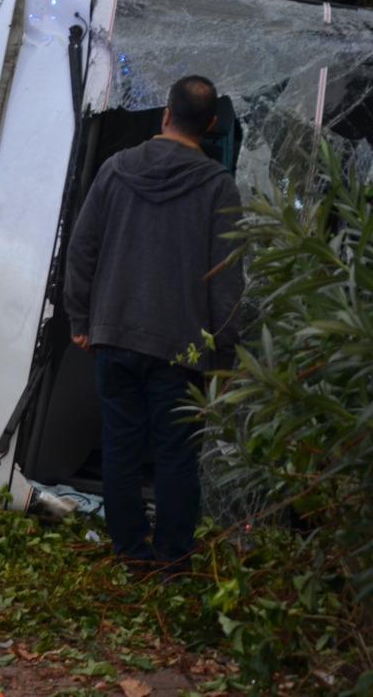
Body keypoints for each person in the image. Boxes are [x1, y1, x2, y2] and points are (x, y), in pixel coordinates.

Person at [64, 75, 243, 572]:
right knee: (177, 457)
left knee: (120, 449)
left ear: (165, 114)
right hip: (182, 350)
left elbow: (82, 249)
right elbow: (227, 281)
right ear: (211, 125)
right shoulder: (219, 187)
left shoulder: (117, 169)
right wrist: (223, 357)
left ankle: (130, 553)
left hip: (116, 333)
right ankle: (172, 561)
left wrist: (81, 319)